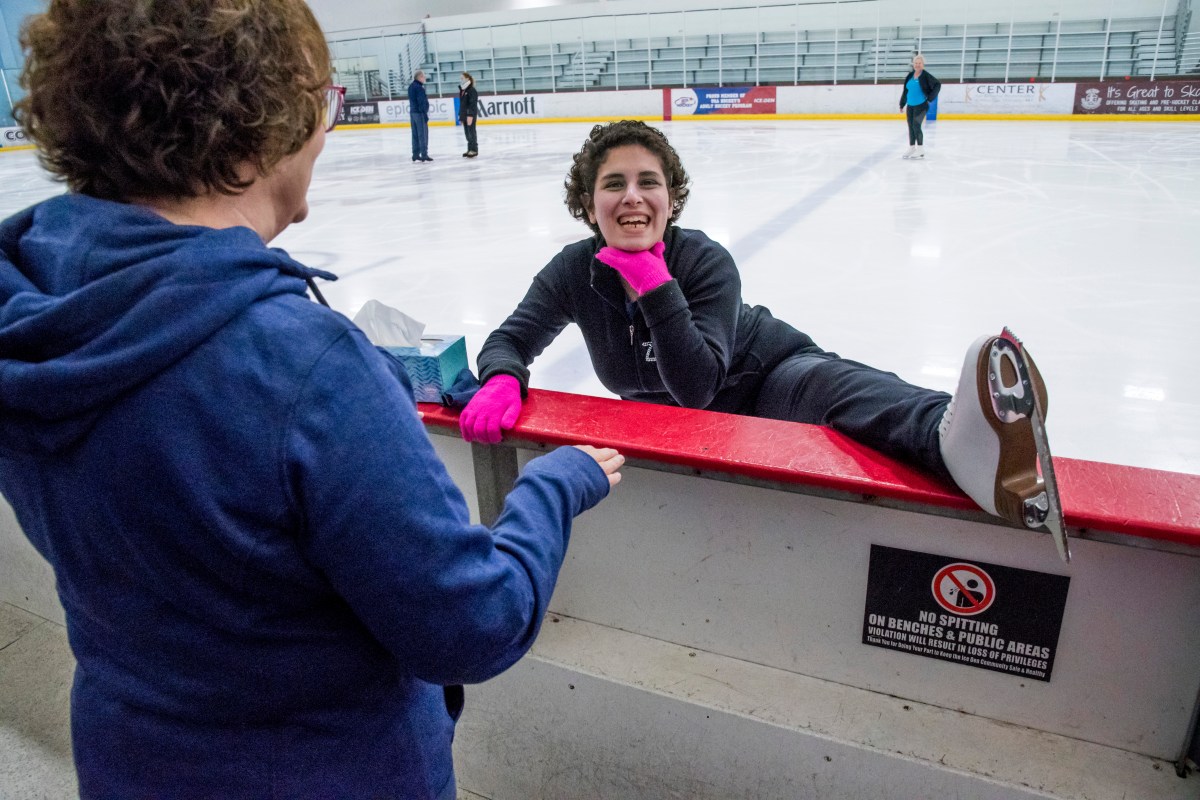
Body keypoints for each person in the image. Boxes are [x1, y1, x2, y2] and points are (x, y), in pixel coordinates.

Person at [0, 3, 623, 799]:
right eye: (319, 103)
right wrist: (553, 485)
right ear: (261, 123)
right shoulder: (300, 365)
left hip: (131, 763)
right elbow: (473, 622)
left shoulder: (33, 318)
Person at [460, 120, 1062, 546]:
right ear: (589, 204)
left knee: (837, 391)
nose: (632, 197)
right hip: (678, 428)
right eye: (613, 184)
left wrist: (655, 285)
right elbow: (508, 339)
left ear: (672, 200)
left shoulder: (704, 262)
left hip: (766, 377)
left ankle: (956, 433)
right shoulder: (575, 271)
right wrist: (503, 379)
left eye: (649, 181)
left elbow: (697, 387)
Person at [899, 54, 940, 159]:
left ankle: (920, 149)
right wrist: (902, 104)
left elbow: (937, 84)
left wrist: (930, 98)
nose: (917, 65)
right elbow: (906, 90)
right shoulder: (910, 75)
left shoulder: (925, 75)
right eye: (916, 63)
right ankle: (912, 147)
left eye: (919, 63)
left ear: (923, 64)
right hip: (910, 106)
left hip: (921, 105)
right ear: (913, 64)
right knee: (911, 126)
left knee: (916, 125)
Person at [408, 69, 432, 162]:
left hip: (413, 113)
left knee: (415, 135)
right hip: (419, 113)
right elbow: (421, 102)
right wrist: (424, 113)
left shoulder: (411, 86)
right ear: (420, 77)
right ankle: (424, 154)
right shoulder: (419, 88)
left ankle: (415, 154)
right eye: (424, 76)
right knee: (423, 135)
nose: (425, 78)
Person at [459, 71, 479, 158]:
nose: (461, 80)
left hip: (470, 115)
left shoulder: (471, 90)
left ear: (467, 79)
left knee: (471, 132)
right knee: (467, 134)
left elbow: (473, 104)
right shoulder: (463, 90)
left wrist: (470, 115)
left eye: (462, 78)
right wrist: (461, 116)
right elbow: (462, 105)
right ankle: (469, 149)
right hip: (464, 115)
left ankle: (474, 150)